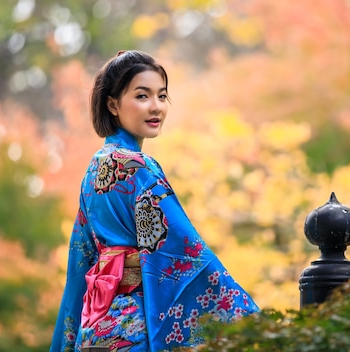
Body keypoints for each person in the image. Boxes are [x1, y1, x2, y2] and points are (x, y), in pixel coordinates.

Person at [50, 50, 259, 351]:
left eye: (162, 96)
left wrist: (66, 342)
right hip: (134, 330)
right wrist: (250, 321)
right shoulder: (139, 167)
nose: (156, 107)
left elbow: (78, 265)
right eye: (142, 96)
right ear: (113, 104)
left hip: (94, 328)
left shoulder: (92, 171)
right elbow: (185, 253)